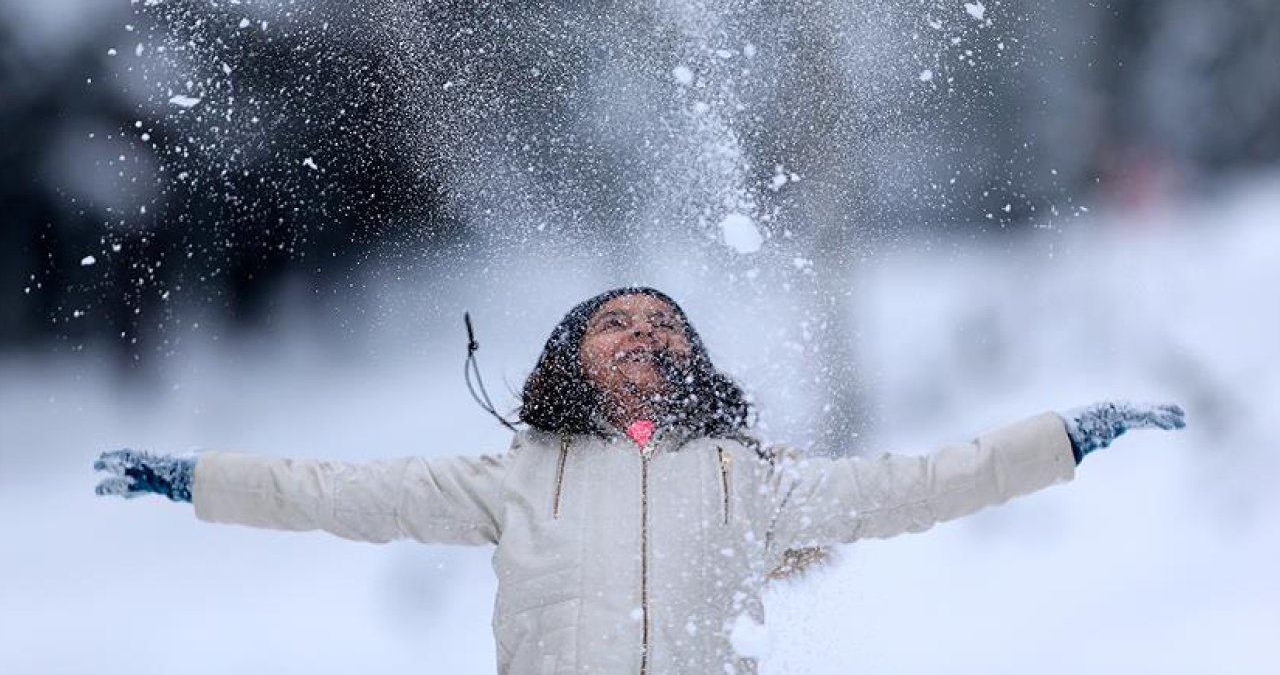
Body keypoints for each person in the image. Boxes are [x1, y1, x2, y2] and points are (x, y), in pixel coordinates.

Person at [95, 286, 1186, 675]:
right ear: (570, 356)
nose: (641, 333)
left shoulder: (747, 483)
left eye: (664, 324)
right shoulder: (513, 477)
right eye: (614, 321)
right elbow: (332, 489)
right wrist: (196, 478)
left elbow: (920, 483)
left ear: (692, 361)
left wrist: (1063, 438)